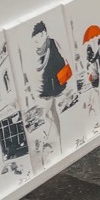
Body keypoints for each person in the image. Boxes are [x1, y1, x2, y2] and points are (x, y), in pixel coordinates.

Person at [31, 20, 68, 161]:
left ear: (44, 33)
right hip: (48, 85)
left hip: (51, 86)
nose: (36, 40)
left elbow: (63, 57)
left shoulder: (51, 43)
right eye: (35, 38)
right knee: (53, 112)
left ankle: (51, 141)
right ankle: (59, 138)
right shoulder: (41, 48)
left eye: (38, 36)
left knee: (45, 115)